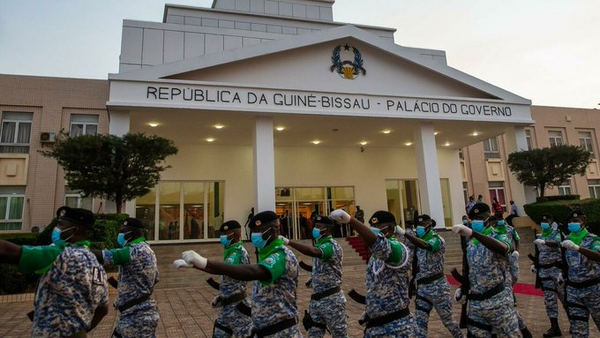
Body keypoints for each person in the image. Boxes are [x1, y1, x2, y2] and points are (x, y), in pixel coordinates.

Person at [174, 211, 302, 337]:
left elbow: (251, 272)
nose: (253, 235)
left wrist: (204, 262)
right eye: (253, 231)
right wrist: (196, 265)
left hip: (281, 332)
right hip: (262, 327)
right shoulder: (266, 254)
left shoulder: (280, 255)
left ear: (273, 230)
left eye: (258, 231)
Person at [0, 206, 108, 337]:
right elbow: (103, 309)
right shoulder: (97, 265)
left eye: (60, 225)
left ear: (75, 230)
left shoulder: (58, 255)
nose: (56, 229)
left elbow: (6, 251)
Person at [329, 209, 414, 337]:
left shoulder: (399, 249)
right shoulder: (375, 257)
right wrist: (371, 309)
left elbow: (381, 245)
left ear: (390, 228)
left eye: (377, 227)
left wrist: (351, 220)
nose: (373, 230)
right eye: (372, 227)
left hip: (397, 328)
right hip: (375, 327)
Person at [452, 203, 520, 337]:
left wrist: (473, 233)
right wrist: (463, 288)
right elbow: (469, 270)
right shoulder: (470, 244)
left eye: (480, 217)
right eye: (474, 219)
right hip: (477, 305)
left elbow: (504, 248)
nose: (477, 221)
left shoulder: (499, 236)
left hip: (498, 303)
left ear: (488, 217)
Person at [398, 214, 463, 338]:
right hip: (422, 289)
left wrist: (406, 234)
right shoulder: (417, 243)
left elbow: (427, 246)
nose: (419, 228)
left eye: (422, 225)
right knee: (419, 324)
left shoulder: (437, 239)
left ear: (429, 225)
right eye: (417, 226)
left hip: (438, 287)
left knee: (448, 321)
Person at [282, 215, 347, 337]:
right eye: (315, 226)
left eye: (318, 226)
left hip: (331, 300)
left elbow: (315, 252)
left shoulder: (330, 245)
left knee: (339, 335)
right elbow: (324, 267)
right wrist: (314, 278)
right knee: (313, 333)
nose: (314, 229)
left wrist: (289, 242)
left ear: (327, 229)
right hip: (316, 300)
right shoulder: (320, 244)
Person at [93, 217, 160, 338]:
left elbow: (106, 256)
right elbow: (155, 278)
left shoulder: (134, 250)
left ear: (132, 234)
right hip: (139, 313)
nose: (120, 234)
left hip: (136, 316)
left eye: (123, 231)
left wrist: (78, 250)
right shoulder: (148, 249)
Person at [554, 210, 600, 338]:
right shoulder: (567, 240)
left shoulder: (593, 239)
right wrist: (562, 272)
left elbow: (598, 256)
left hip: (594, 290)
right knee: (578, 331)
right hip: (574, 290)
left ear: (583, 222)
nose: (572, 224)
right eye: (570, 222)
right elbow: (566, 261)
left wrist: (578, 248)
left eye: (576, 221)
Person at [492, 216, 532, 337]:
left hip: (507, 269)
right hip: (494, 275)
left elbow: (516, 240)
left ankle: (523, 329)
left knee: (507, 308)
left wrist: (516, 251)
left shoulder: (509, 230)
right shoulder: (491, 232)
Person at [531, 213, 564, 337]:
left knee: (564, 298)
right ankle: (555, 327)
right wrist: (534, 263)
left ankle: (573, 322)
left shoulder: (557, 234)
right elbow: (538, 253)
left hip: (557, 271)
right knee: (549, 300)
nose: (544, 223)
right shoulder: (539, 235)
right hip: (544, 272)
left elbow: (558, 244)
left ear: (551, 222)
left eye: (547, 220)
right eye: (542, 221)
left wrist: (545, 242)